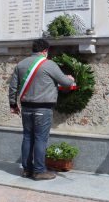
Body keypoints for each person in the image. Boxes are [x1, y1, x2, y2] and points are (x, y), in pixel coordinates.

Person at [8, 39, 74, 180]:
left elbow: (13, 87)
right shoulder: (48, 64)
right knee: (40, 139)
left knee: (27, 138)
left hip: (26, 107)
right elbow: (66, 83)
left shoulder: (20, 64)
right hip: (43, 108)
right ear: (45, 51)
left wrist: (13, 105)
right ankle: (39, 171)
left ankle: (26, 169)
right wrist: (70, 78)